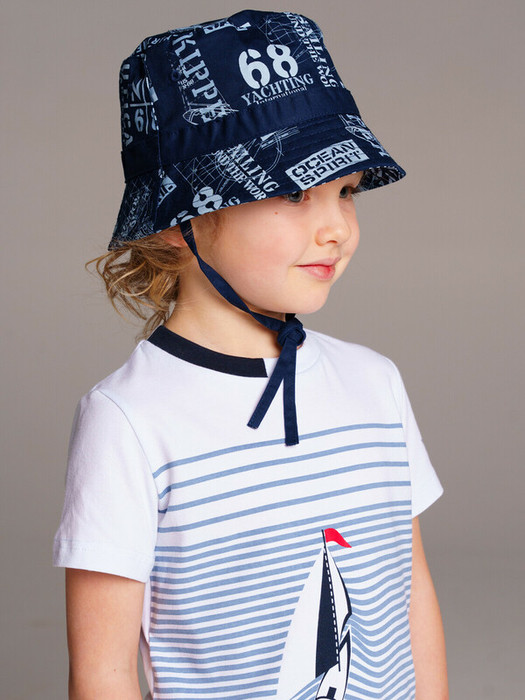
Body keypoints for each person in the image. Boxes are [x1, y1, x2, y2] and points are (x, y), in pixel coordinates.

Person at [53, 9, 448, 700]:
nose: (336, 227)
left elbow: (408, 588)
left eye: (346, 192)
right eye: (293, 193)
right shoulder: (129, 420)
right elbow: (104, 671)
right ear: (179, 220)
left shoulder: (374, 383)